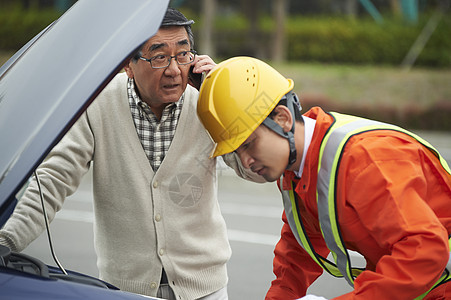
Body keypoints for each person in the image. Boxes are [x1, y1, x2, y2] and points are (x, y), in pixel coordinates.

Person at [0, 8, 259, 300]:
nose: (174, 69)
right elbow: (53, 180)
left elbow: (253, 170)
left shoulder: (207, 99)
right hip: (125, 290)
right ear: (128, 65)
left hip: (206, 289)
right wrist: (6, 241)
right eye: (159, 57)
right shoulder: (97, 104)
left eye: (183, 55)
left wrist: (227, 101)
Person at [197, 56, 451, 299]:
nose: (245, 162)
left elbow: (425, 251)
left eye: (249, 144)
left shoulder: (362, 161)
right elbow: (298, 252)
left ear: (283, 119)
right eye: (236, 151)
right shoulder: (297, 168)